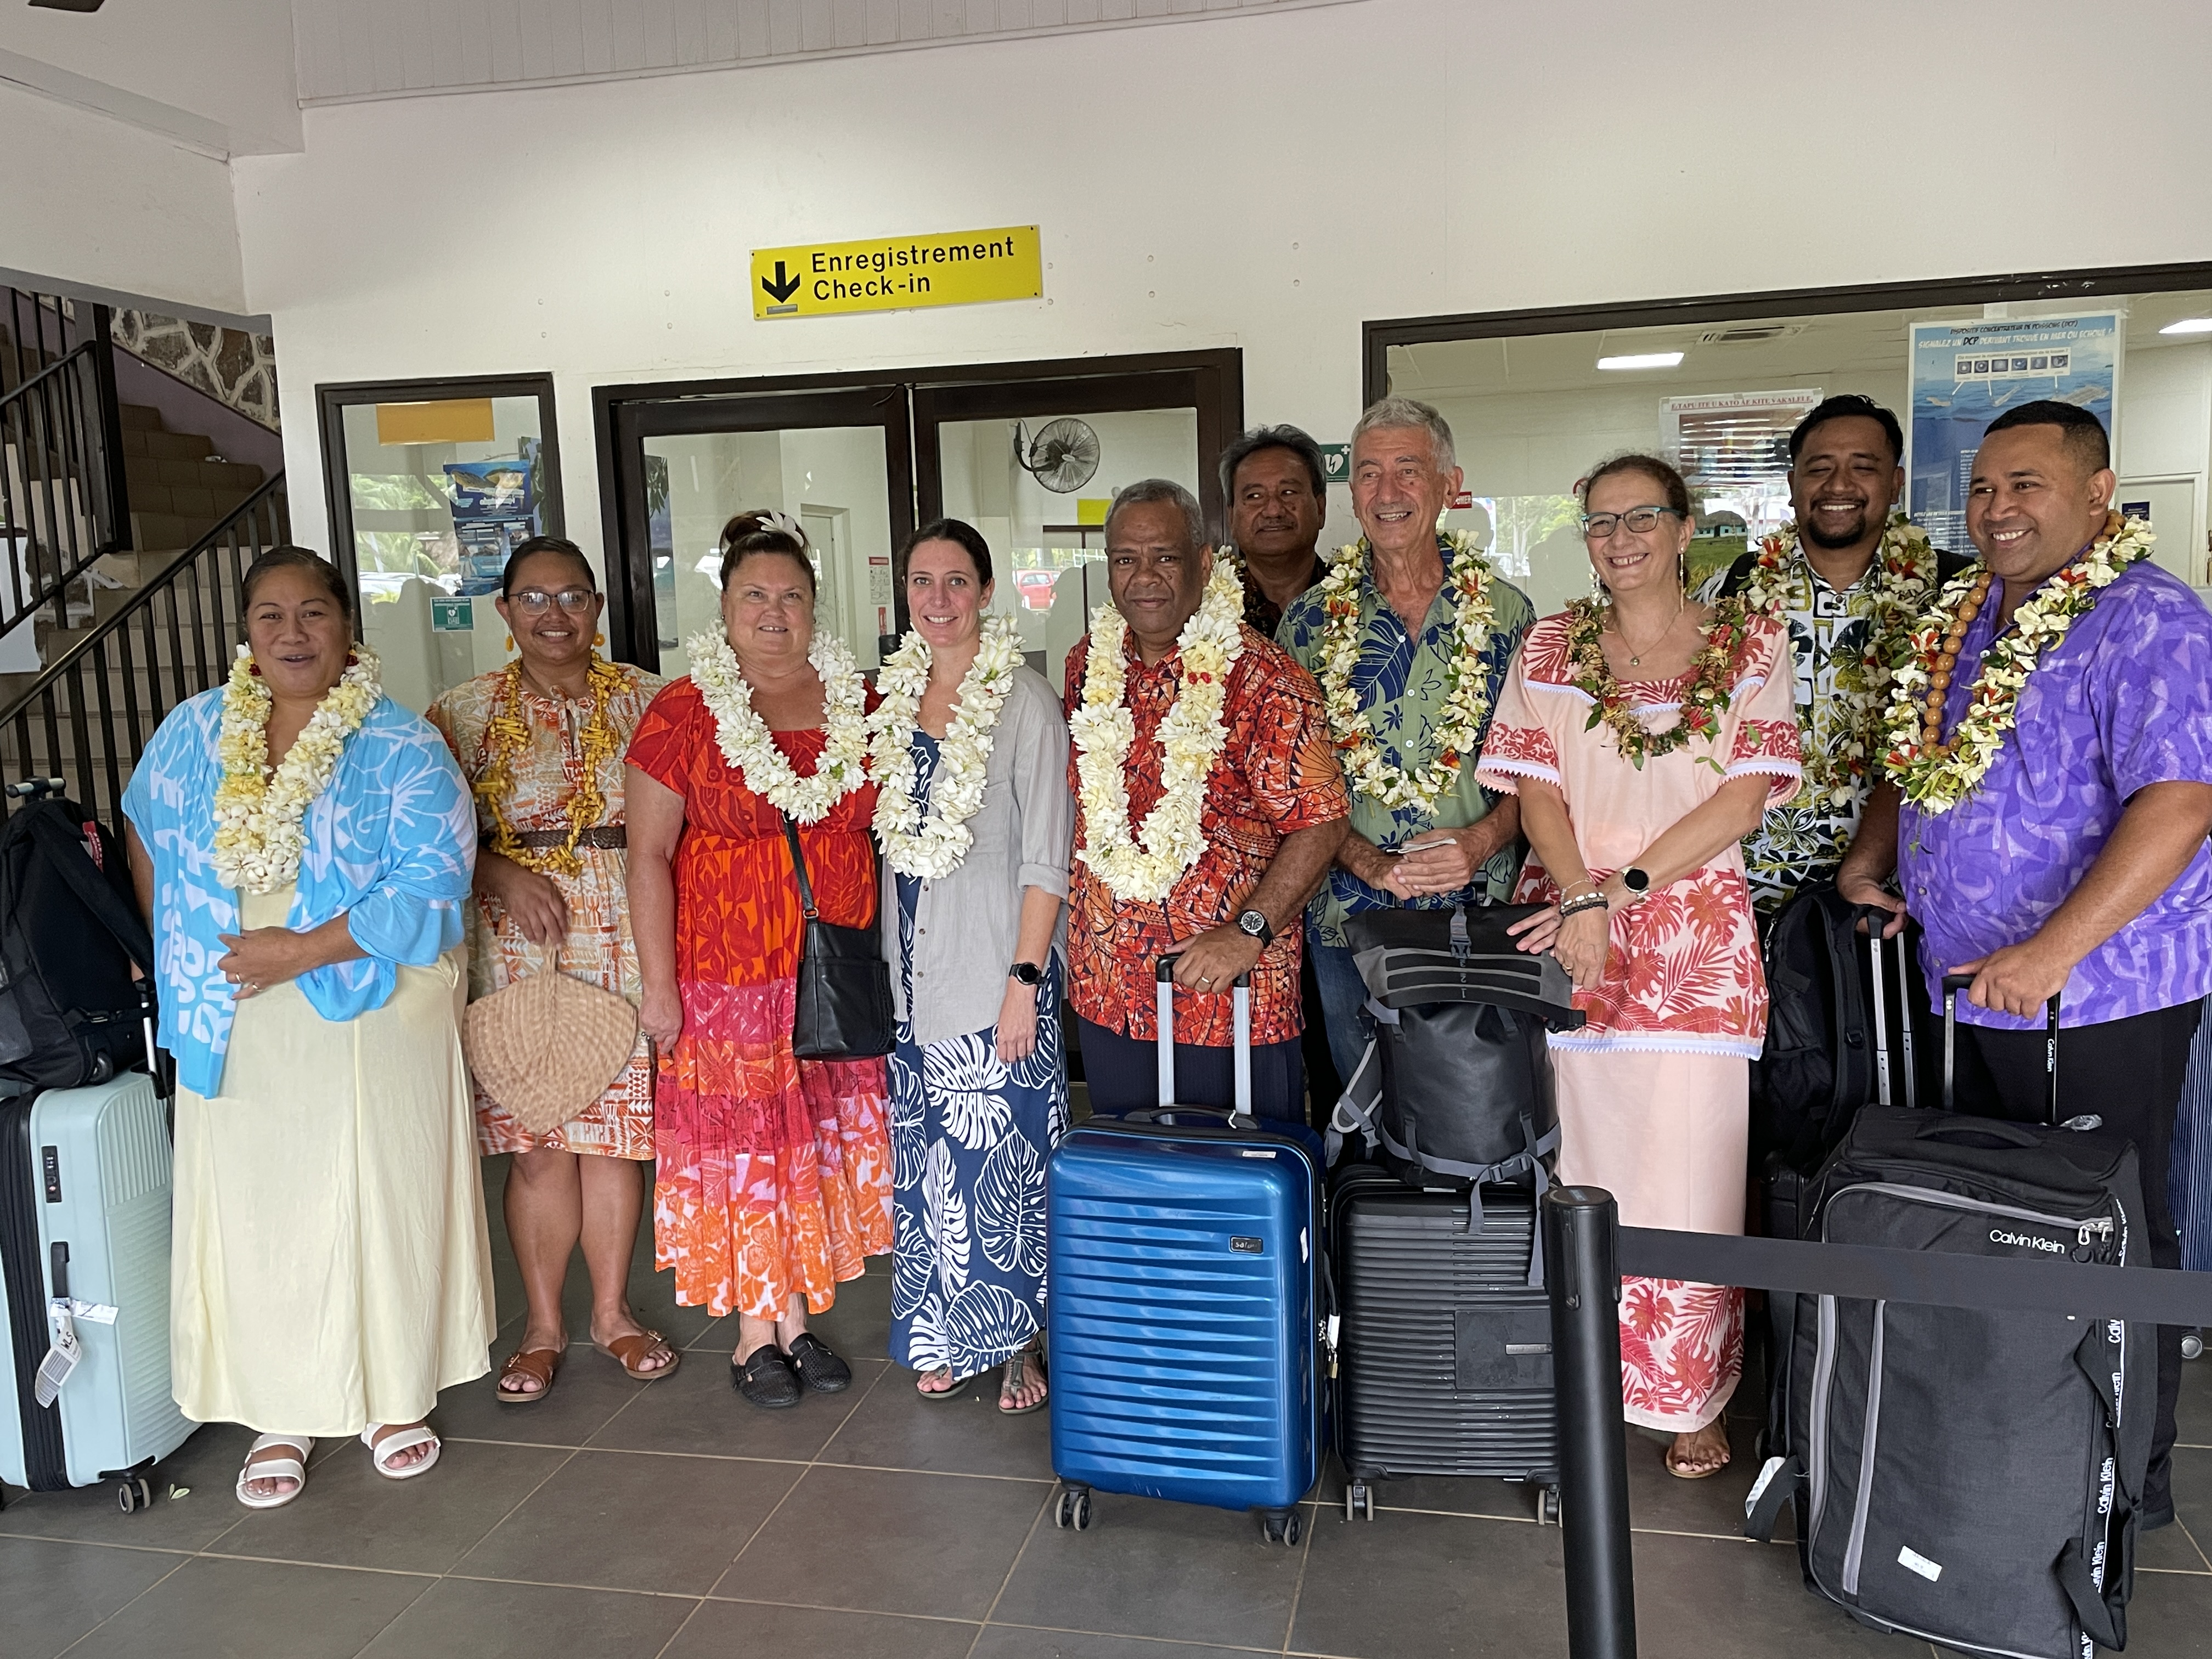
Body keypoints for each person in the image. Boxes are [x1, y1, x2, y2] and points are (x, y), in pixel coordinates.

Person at [1838, 401, 2212, 1527]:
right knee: (1993, 1222)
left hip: (2096, 997)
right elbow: (1914, 757)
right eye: (1983, 487)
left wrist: (2053, 951)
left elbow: (2181, 801)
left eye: (2026, 485)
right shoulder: (1963, 616)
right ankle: (2015, 1447)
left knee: (2108, 1230)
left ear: (2099, 494)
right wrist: (1871, 857)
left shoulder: (2151, 618)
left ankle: (2122, 1482)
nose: (1996, 508)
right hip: (1967, 989)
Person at [121, 546, 494, 1508]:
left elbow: (435, 879)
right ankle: (279, 1406)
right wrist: (180, 941)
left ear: (345, 627)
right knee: (259, 1205)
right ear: (247, 632)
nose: (293, 633)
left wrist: (299, 950)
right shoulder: (194, 730)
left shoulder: (402, 742)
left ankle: (391, 1396)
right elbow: (145, 825)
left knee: (375, 1195)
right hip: (236, 1004)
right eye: (271, 615)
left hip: (367, 993)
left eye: (314, 612)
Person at [1476, 455, 1802, 1479]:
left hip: (1692, 937)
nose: (1619, 539)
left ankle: (1691, 1396)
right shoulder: (1550, 642)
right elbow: (1535, 790)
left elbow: (1743, 798)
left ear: (1685, 527)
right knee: (1578, 1162)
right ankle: (1578, 1374)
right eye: (1600, 522)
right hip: (1570, 931)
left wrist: (1618, 893)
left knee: (1689, 1172)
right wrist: (1581, 897)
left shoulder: (1749, 640)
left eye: (1641, 517)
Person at [627, 511, 893, 1410]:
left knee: (807, 1147)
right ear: (725, 607)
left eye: (791, 596)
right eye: (754, 595)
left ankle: (797, 1318)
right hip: (725, 980)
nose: (774, 612)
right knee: (751, 1150)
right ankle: (754, 1330)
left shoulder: (861, 703)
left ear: (816, 606)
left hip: (830, 973)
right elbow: (647, 856)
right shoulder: (683, 711)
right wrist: (658, 987)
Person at [426, 535, 675, 1404]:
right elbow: (421, 838)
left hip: (627, 934)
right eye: (533, 598)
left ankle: (612, 1315)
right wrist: (496, 872)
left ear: (597, 607)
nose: (554, 614)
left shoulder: (652, 700)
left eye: (572, 597)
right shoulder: (458, 713)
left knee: (613, 1146)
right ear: (504, 610)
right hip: (514, 943)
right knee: (537, 1147)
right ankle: (542, 1326)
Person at [1063, 478, 1349, 1122]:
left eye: (1164, 556)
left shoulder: (1265, 680)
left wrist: (1250, 932)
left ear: (1201, 560)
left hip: (1227, 997)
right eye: (1126, 559)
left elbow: (1322, 824)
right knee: (1130, 1177)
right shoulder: (1086, 664)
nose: (1145, 577)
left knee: (1236, 1182)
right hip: (1108, 991)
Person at [872, 518, 1071, 1413]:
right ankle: (944, 1333)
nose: (938, 598)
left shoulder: (1023, 700)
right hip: (911, 974)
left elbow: (1047, 856)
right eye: (922, 581)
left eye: (957, 580)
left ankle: (1020, 1343)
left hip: (995, 972)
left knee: (1006, 1163)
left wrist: (1023, 982)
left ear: (987, 592)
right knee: (930, 1167)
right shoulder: (892, 698)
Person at [1279, 396, 1536, 1091]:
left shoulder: (1508, 614)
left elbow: (1541, 772)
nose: (1387, 492)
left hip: (1481, 910)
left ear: (1450, 486)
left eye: (1408, 471)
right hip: (1350, 919)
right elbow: (1292, 784)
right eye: (1368, 473)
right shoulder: (1308, 623)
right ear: (1352, 494)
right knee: (1366, 1105)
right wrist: (1368, 862)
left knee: (1477, 1108)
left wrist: (1478, 843)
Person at [1698, 394, 1959, 921]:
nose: (1839, 485)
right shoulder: (1731, 588)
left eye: (1863, 467)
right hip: (1742, 887)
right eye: (1819, 469)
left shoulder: (1956, 593)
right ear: (1793, 484)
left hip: (1900, 895)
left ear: (1896, 483)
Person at [1222, 424, 1331, 639]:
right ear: (1232, 518)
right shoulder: (1199, 605)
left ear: (1320, 509)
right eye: (1255, 496)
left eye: (1288, 492)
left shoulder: (1360, 599)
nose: (1273, 510)